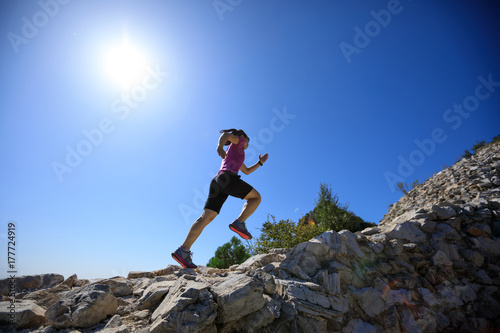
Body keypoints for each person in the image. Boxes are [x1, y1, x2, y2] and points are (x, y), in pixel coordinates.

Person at [172, 129, 269, 269]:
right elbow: (226, 136)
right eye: (248, 141)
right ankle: (240, 222)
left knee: (206, 217)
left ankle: (183, 250)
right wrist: (219, 145)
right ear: (243, 137)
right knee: (256, 198)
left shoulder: (236, 152)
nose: (248, 144)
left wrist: (260, 163)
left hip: (218, 181)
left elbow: (246, 171)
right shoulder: (240, 141)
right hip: (228, 179)